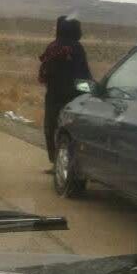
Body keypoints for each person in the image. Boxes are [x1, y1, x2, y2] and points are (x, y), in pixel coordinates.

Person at [39, 16, 92, 170]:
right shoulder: (78, 48)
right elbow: (83, 74)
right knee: (71, 131)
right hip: (75, 96)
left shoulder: (53, 46)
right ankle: (70, 164)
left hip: (54, 95)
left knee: (51, 128)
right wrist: (92, 90)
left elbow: (44, 73)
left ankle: (57, 163)